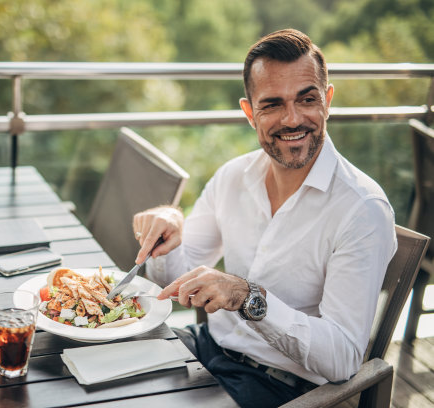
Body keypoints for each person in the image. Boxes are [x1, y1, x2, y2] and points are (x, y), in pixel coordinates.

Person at [132, 29, 397, 408]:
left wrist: (247, 297)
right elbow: (174, 280)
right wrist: (167, 227)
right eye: (272, 104)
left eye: (307, 99)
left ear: (328, 100)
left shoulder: (363, 209)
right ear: (249, 113)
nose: (293, 119)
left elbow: (342, 359)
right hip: (206, 351)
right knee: (94, 372)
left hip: (282, 388)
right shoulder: (232, 176)